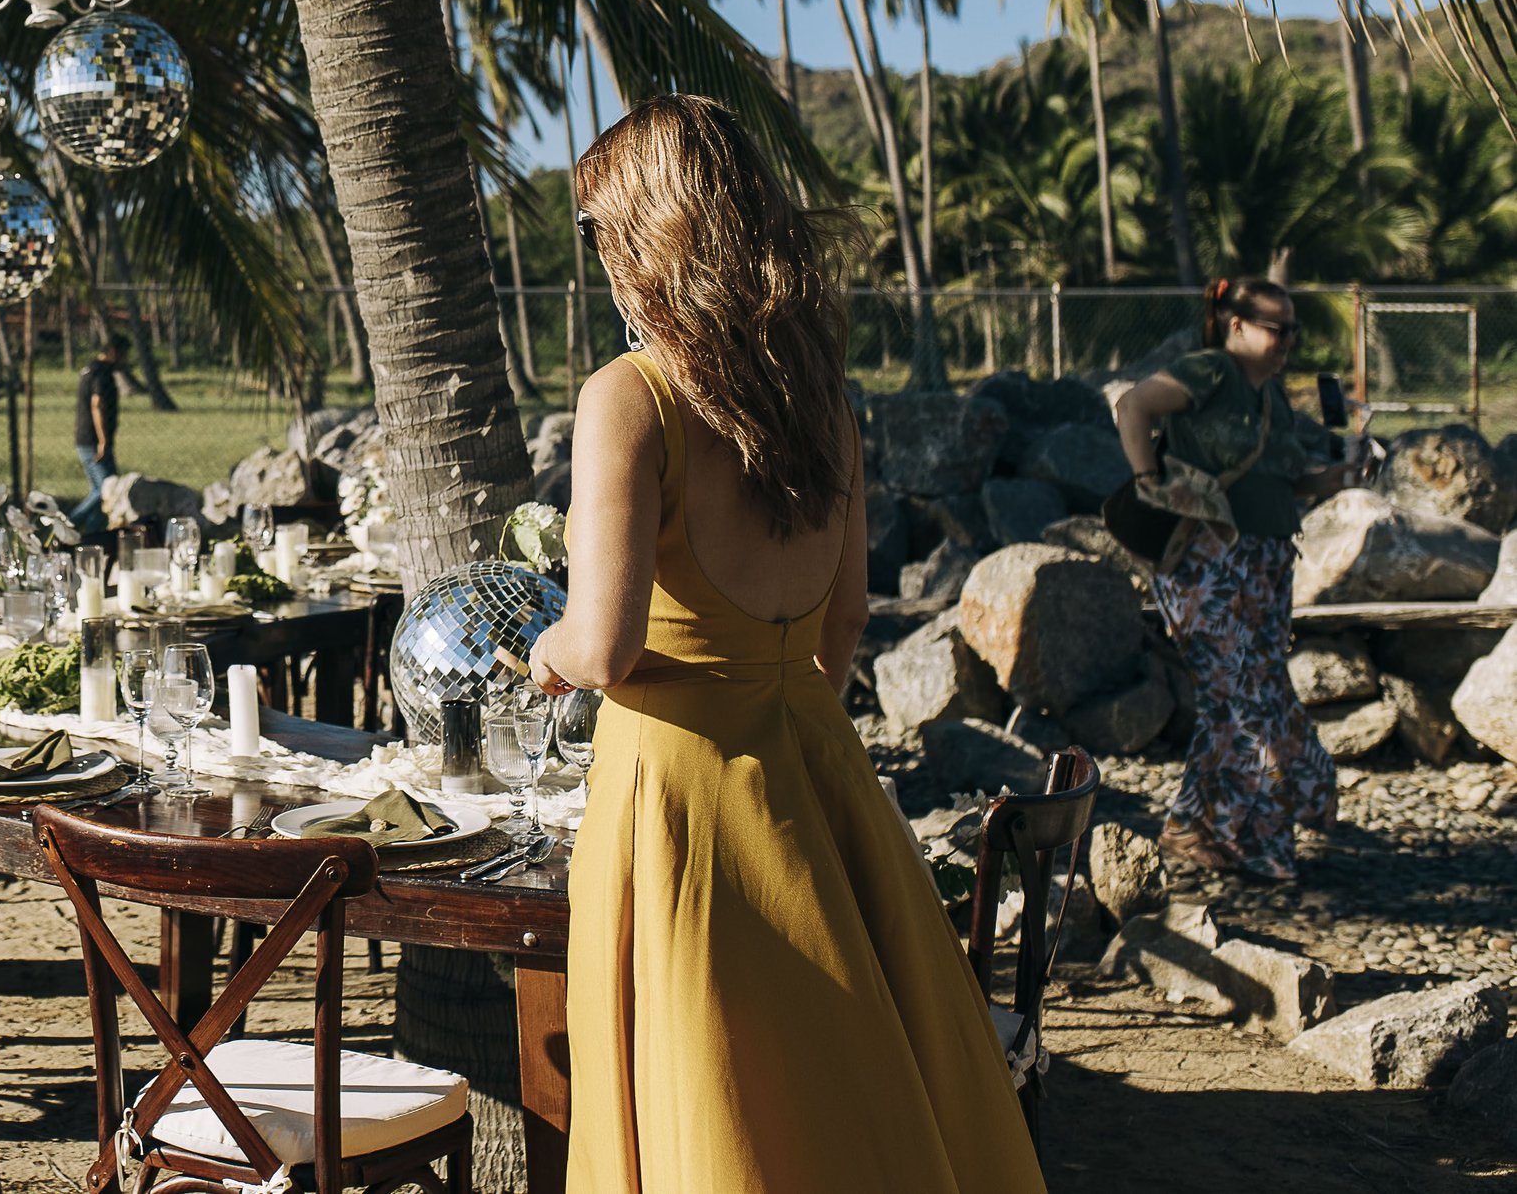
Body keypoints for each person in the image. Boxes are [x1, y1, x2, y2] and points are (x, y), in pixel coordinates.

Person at [527, 96, 1045, 1194]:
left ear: (643, 233)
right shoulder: (826, 401)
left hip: (675, 794)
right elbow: (847, 614)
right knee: (850, 1101)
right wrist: (787, 705)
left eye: (598, 230)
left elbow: (607, 647)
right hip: (812, 768)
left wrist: (547, 649)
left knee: (699, 1096)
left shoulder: (630, 398)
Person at [1113, 276, 1360, 880]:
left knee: (1258, 694)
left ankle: (1196, 828)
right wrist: (1150, 482)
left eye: (1292, 330)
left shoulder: (1271, 399)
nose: (1286, 342)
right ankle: (1240, 840)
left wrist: (1344, 475)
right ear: (1236, 325)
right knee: (1238, 700)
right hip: (1210, 560)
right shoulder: (1211, 373)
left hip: (1268, 567)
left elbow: (1284, 479)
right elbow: (1132, 405)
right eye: (1276, 329)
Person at [70, 334, 129, 530]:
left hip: (86, 438)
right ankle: (65, 526)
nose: (125, 361)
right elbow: (97, 405)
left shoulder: (89, 369)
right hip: (93, 441)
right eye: (124, 355)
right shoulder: (101, 373)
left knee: (100, 490)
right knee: (108, 489)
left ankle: (93, 537)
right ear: (114, 353)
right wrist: (103, 440)